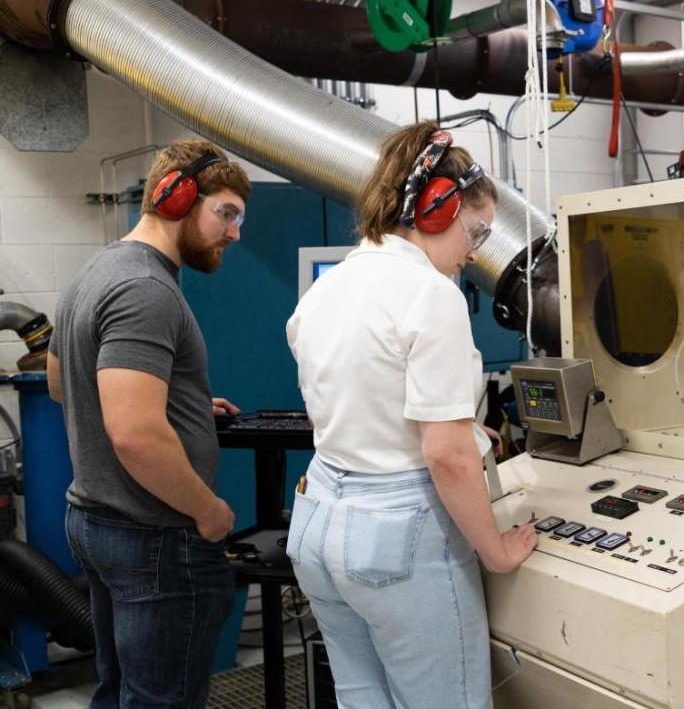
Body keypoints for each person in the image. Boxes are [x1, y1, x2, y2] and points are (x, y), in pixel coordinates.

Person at [285, 121, 537, 709]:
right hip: (397, 536)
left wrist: (464, 430)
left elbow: (364, 402)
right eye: (475, 231)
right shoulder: (430, 294)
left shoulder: (327, 288)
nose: (475, 251)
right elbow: (444, 456)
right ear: (435, 210)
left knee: (362, 698)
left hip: (319, 523)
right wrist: (496, 551)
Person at [47, 140, 251, 708]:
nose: (234, 233)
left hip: (96, 521)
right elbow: (134, 434)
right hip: (153, 536)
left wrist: (172, 405)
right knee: (161, 700)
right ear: (176, 198)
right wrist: (209, 513)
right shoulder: (146, 289)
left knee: (122, 692)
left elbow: (64, 385)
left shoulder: (97, 268)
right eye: (226, 213)